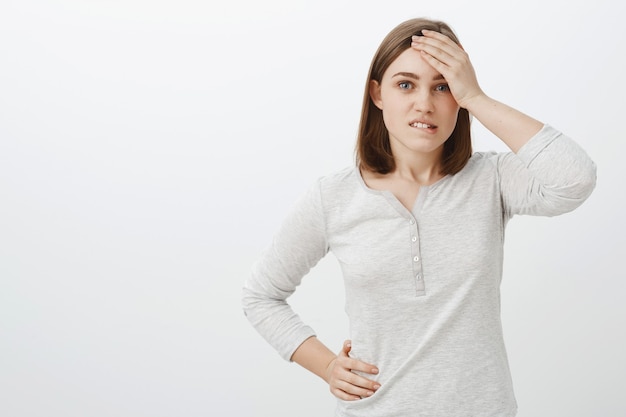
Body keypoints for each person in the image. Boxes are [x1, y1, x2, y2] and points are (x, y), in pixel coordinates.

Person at [241, 17, 596, 417]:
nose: (424, 103)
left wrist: (476, 97)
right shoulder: (334, 197)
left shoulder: (492, 180)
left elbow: (575, 179)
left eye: (442, 86)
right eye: (405, 84)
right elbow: (261, 296)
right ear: (377, 93)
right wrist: (326, 365)